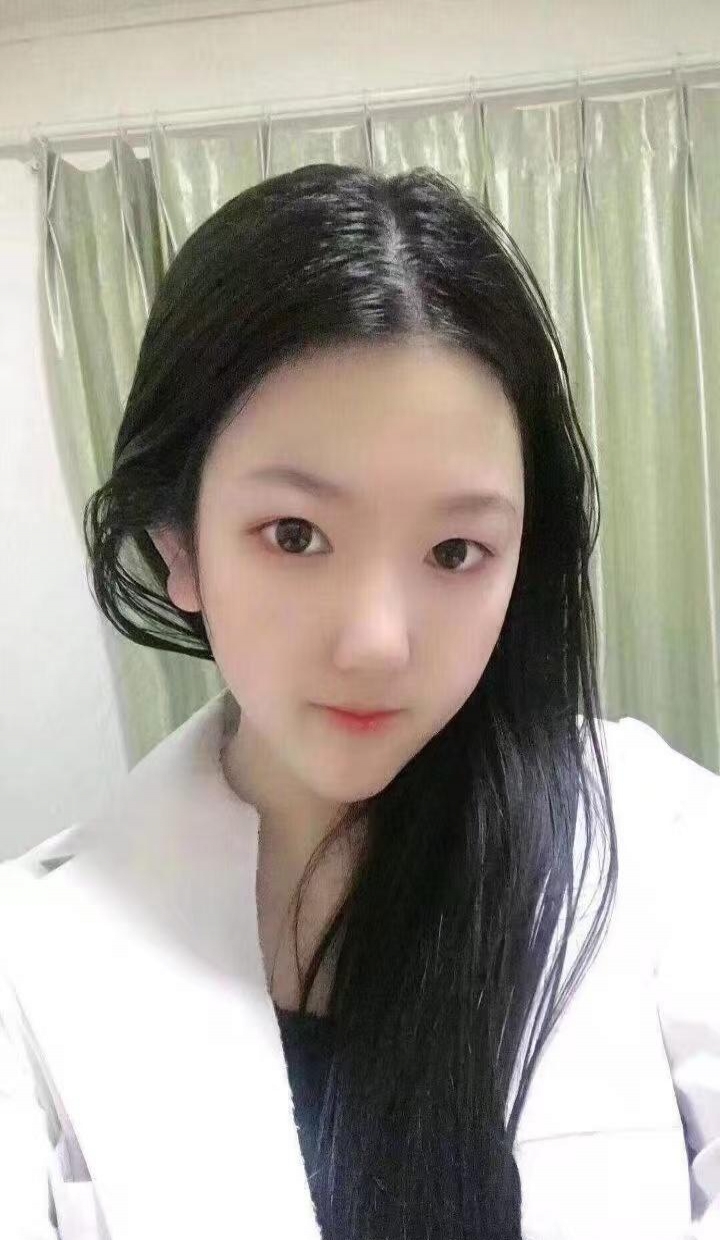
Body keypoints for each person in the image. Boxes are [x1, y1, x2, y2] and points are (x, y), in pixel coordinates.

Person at [0, 163, 718, 1240]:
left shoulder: (665, 841)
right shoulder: (30, 956)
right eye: (295, 535)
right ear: (178, 544)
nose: (379, 642)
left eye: (455, 550)